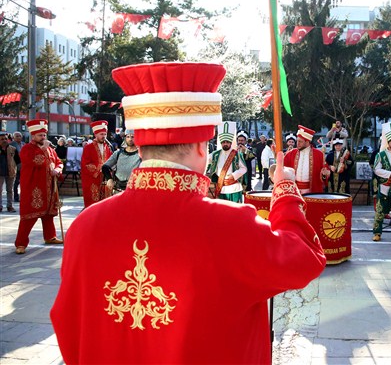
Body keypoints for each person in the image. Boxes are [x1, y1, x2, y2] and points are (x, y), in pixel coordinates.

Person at [50, 61, 326, 365]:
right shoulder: (232, 226)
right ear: (201, 147)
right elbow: (304, 258)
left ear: (140, 148)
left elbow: (67, 324)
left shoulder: (85, 226)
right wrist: (285, 190)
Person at [14, 120, 64, 254]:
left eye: (44, 135)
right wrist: (42, 149)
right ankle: (21, 243)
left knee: (48, 215)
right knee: (29, 216)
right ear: (33, 136)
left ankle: (50, 236)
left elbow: (59, 162)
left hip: (49, 188)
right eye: (40, 135)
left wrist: (58, 170)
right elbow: (34, 161)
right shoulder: (26, 149)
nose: (43, 138)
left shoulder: (50, 150)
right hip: (33, 188)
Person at [207, 121, 247, 203]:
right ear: (221, 143)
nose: (225, 144)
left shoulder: (236, 154)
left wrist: (234, 175)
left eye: (227, 142)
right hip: (221, 187)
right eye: (223, 142)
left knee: (235, 211)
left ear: (230, 143)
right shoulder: (215, 154)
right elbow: (205, 161)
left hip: (234, 187)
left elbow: (244, 169)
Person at [284, 125, 330, 194]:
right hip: (294, 191)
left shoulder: (319, 154)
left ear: (307, 142)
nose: (297, 144)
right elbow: (282, 169)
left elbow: (325, 174)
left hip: (312, 191)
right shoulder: (290, 154)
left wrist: (325, 174)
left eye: (300, 141)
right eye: (297, 141)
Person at [80, 120, 113, 208]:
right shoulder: (88, 148)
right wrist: (100, 168)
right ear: (95, 134)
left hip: (105, 180)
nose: (104, 136)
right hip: (93, 180)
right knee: (93, 205)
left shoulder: (108, 147)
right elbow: (85, 164)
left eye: (105, 134)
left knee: (105, 206)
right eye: (101, 134)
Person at [0, 132, 20, 213]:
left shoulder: (13, 149)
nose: (4, 140)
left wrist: (19, 171)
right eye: (2, 139)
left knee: (10, 190)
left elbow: (18, 161)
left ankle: (10, 206)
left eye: (5, 139)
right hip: (0, 173)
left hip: (11, 172)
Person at [10, 131, 26, 202]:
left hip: (24, 166)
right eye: (17, 136)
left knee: (23, 182)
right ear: (13, 137)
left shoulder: (24, 144)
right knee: (16, 182)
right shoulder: (11, 145)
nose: (19, 137)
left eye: (20, 136)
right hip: (15, 166)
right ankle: (16, 197)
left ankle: (23, 196)